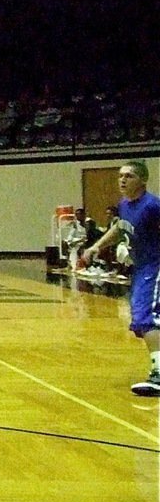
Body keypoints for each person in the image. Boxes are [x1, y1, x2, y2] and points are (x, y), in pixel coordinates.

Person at [77, 161, 160, 396]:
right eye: (120, 176)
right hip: (142, 267)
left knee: (146, 317)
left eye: (130, 176)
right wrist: (96, 247)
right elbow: (120, 229)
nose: (123, 180)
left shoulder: (152, 206)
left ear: (142, 180)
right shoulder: (124, 205)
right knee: (146, 318)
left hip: (155, 267)